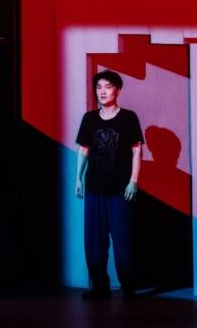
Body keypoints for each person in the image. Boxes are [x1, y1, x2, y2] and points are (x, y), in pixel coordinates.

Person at [75, 69, 143, 300]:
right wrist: (77, 178)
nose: (102, 91)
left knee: (122, 239)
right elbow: (84, 149)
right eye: (99, 87)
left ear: (118, 90)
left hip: (119, 190)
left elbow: (136, 150)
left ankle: (128, 288)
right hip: (94, 187)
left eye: (108, 86)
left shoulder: (128, 118)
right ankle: (100, 286)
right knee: (94, 241)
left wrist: (133, 180)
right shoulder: (89, 118)